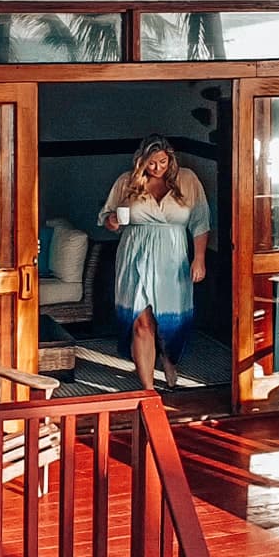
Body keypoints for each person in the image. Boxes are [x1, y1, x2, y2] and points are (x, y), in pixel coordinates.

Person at [98, 134, 210, 390]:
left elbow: (201, 221)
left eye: (162, 161)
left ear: (170, 158)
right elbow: (107, 216)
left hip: (172, 257)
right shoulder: (126, 182)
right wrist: (112, 221)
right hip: (134, 255)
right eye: (151, 163)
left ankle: (168, 358)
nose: (158, 168)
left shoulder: (188, 179)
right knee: (141, 321)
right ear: (141, 162)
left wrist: (200, 258)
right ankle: (148, 389)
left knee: (170, 321)